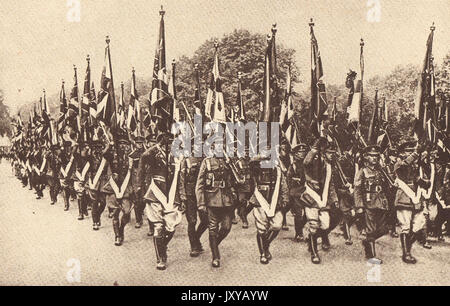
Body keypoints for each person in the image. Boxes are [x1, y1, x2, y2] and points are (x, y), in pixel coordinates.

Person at [138, 132, 183, 270]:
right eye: (167, 142)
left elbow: (179, 176)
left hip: (170, 195)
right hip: (156, 193)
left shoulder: (176, 156)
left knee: (171, 226)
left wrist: (181, 196)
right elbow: (143, 158)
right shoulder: (153, 155)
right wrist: (156, 146)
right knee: (158, 227)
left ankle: (162, 246)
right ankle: (161, 258)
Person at [195, 150, 237, 268]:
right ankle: (216, 256)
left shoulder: (228, 160)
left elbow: (236, 179)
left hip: (227, 200)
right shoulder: (207, 162)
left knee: (226, 227)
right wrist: (201, 203)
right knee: (212, 228)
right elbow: (200, 184)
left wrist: (230, 164)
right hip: (211, 200)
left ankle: (213, 244)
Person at [301, 138, 339, 264]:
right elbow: (306, 162)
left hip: (323, 199)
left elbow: (331, 184)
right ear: (323, 153)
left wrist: (334, 199)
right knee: (313, 225)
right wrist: (315, 147)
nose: (331, 155)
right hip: (311, 198)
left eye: (333, 153)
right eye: (329, 152)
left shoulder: (329, 166)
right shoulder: (314, 161)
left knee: (325, 224)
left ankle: (315, 239)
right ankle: (314, 252)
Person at [249, 154, 289, 264]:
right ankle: (263, 253)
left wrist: (285, 198)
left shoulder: (277, 170)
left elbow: (283, 185)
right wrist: (263, 156)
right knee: (261, 229)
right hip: (260, 201)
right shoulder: (256, 168)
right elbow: (251, 162)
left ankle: (265, 245)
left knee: (277, 225)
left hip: (275, 201)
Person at [394, 140, 428, 264]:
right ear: (402, 152)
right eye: (408, 151)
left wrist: (424, 181)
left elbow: (416, 177)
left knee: (418, 225)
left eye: (412, 150)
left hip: (416, 198)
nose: (412, 153)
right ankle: (406, 253)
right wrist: (415, 154)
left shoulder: (415, 163)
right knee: (405, 227)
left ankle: (407, 248)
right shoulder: (398, 162)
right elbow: (403, 168)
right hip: (404, 196)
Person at [354, 145, 390, 263]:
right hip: (369, 203)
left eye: (376, 156)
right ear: (366, 157)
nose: (374, 158)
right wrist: (359, 206)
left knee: (384, 229)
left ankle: (368, 241)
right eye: (371, 156)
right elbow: (357, 189)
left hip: (381, 203)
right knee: (371, 229)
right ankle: (371, 257)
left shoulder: (381, 171)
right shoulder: (362, 171)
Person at [103, 133, 134, 246]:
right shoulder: (112, 155)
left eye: (125, 144)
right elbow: (104, 154)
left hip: (126, 188)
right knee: (115, 213)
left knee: (126, 212)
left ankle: (121, 229)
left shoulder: (130, 156)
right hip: (114, 188)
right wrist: (110, 145)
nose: (122, 146)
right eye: (120, 143)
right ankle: (117, 236)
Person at [179, 148, 207, 257]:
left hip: (201, 195)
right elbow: (181, 180)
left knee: (206, 220)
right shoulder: (186, 161)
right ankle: (194, 246)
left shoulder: (205, 159)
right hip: (190, 195)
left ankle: (196, 238)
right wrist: (182, 196)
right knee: (192, 221)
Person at [286, 143, 309, 242]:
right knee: (298, 214)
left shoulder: (308, 164)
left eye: (303, 152)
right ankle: (299, 233)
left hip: (307, 191)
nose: (302, 154)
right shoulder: (294, 166)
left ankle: (300, 227)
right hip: (296, 192)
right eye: (300, 152)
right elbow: (288, 179)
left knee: (308, 214)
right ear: (295, 154)